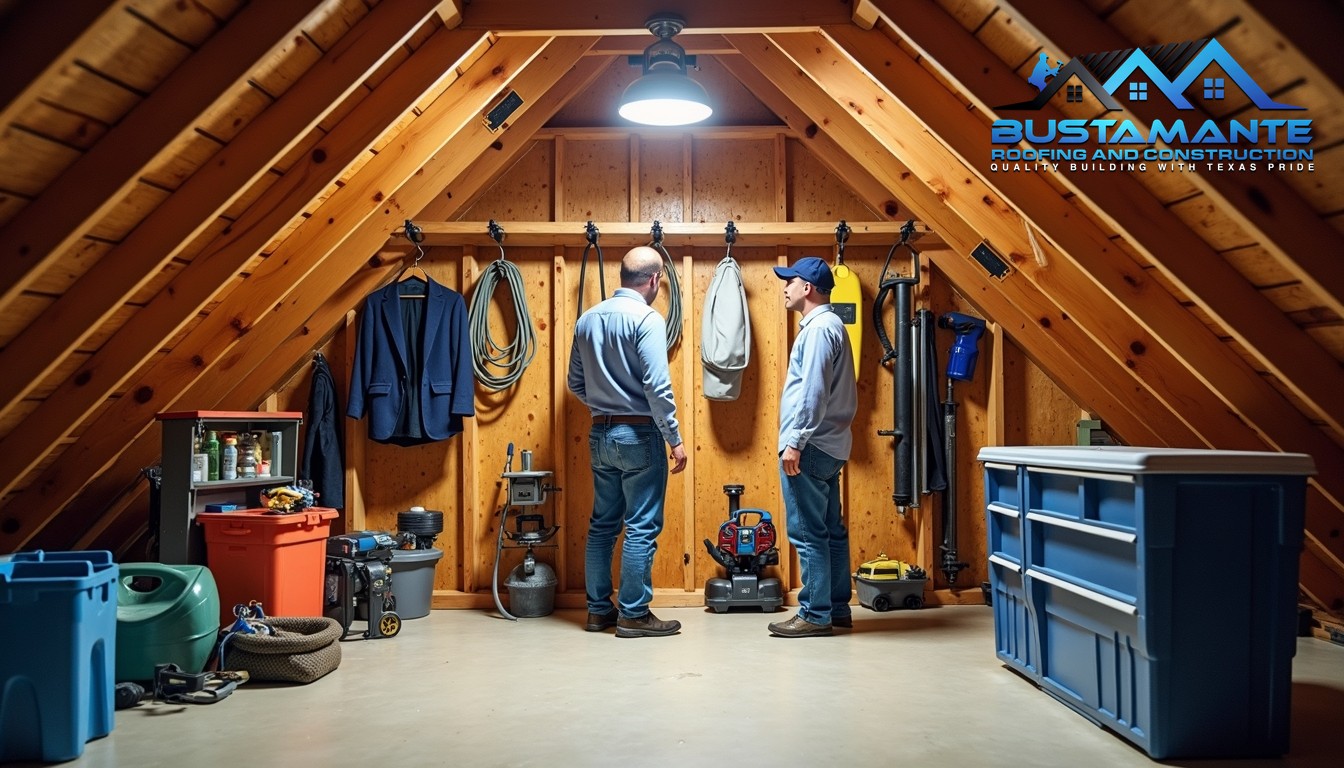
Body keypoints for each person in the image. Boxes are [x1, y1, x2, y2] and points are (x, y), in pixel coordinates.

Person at [568, 246, 688, 638]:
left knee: (602, 525)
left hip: (600, 434)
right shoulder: (648, 319)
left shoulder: (587, 319)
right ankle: (634, 614)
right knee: (641, 526)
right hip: (639, 435)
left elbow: (575, 382)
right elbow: (657, 386)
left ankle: (598, 611)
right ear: (654, 279)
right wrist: (674, 438)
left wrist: (604, 406)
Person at [768, 256, 858, 637]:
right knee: (831, 530)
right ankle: (836, 608)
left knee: (808, 533)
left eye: (790, 281)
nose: (785, 288)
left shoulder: (819, 330)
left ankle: (815, 614)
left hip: (810, 446)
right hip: (830, 446)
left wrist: (795, 442)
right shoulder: (832, 325)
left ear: (807, 288)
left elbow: (813, 393)